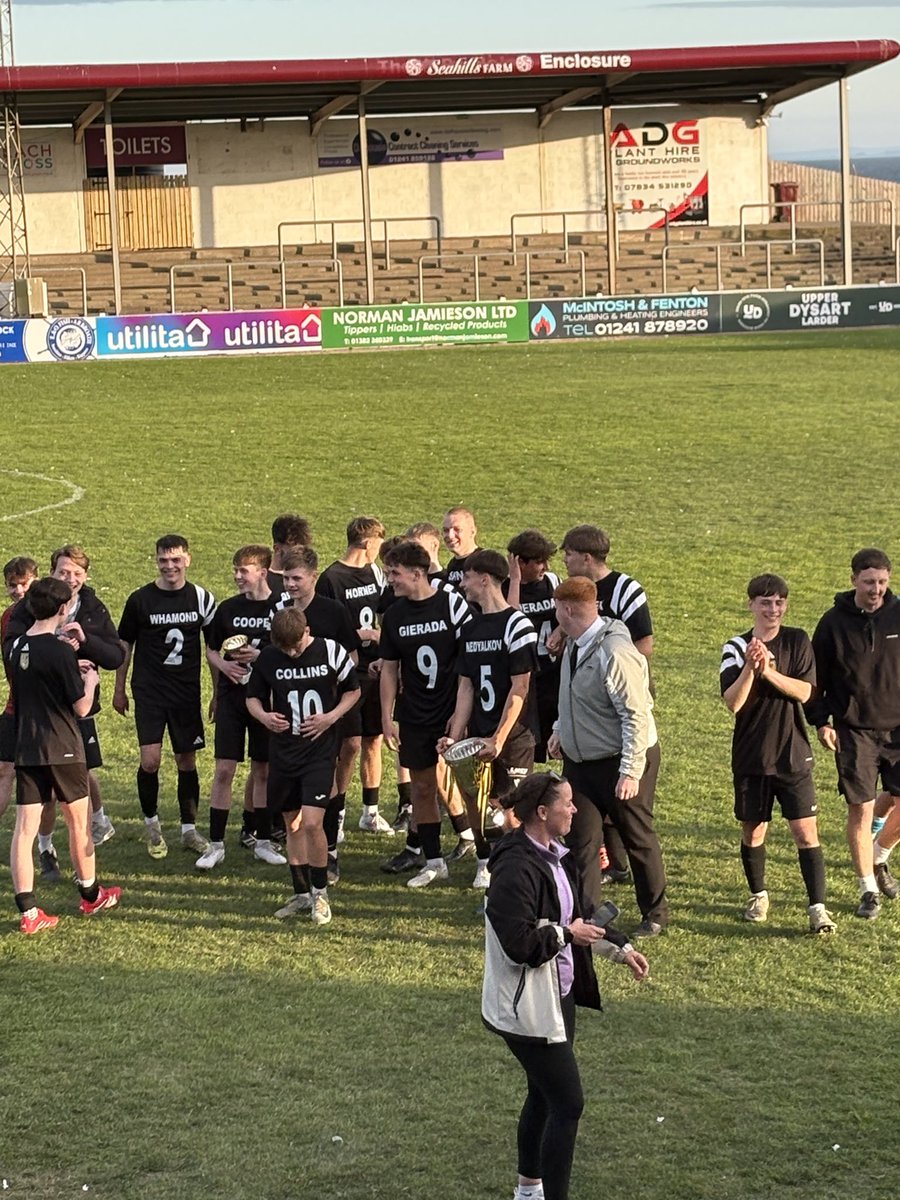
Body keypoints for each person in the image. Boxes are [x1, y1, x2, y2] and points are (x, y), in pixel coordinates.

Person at [483, 771, 649, 1200]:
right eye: (567, 803)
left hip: (558, 997)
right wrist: (565, 934)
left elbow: (582, 912)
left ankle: (528, 1191)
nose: (575, 810)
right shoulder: (514, 868)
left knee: (543, 1095)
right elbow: (520, 944)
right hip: (527, 1008)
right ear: (542, 812)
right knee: (568, 1103)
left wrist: (621, 948)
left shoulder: (559, 855)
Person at [549, 577, 668, 937]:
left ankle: (655, 914)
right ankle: (587, 915)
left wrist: (630, 771)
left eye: (556, 609)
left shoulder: (614, 652)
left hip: (620, 759)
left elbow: (636, 715)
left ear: (567, 609)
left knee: (636, 835)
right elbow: (570, 695)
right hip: (581, 763)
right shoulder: (575, 643)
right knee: (581, 839)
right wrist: (560, 729)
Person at [5, 576, 121, 934]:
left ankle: (29, 912)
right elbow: (81, 707)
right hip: (63, 748)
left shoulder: (14, 646)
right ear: (61, 608)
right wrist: (90, 680)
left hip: (27, 746)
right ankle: (91, 895)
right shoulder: (60, 651)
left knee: (24, 830)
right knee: (78, 823)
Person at [720, 574, 835, 934]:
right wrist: (750, 669)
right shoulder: (735, 647)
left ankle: (817, 909)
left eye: (780, 602)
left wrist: (769, 672)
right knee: (754, 831)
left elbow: (806, 692)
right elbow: (733, 703)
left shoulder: (797, 640)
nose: (774, 609)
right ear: (751, 605)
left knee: (805, 832)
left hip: (792, 754)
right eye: (766, 602)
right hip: (751, 756)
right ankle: (758, 895)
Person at [246, 607, 360, 927]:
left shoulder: (330, 650)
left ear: (307, 631)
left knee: (312, 822)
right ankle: (301, 893)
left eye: (295, 647)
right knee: (292, 823)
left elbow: (353, 689)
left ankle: (320, 893)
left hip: (319, 752)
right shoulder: (270, 657)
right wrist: (264, 717)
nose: (292, 654)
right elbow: (252, 698)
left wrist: (330, 717)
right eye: (286, 649)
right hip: (284, 752)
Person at [806, 547, 900, 920]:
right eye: (869, 582)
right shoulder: (832, 623)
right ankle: (868, 890)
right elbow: (815, 680)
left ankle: (879, 854)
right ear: (853, 580)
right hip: (854, 730)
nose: (876, 589)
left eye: (882, 582)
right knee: (860, 808)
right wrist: (821, 721)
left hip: (898, 730)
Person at [439, 549, 538, 889]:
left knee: (511, 809)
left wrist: (499, 737)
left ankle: (520, 870)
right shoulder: (471, 628)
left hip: (513, 735)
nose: (462, 584)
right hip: (480, 732)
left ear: (484, 579)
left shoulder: (517, 625)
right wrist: (454, 737)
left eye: (467, 577)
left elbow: (520, 686)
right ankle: (486, 860)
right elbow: (466, 687)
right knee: (477, 801)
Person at [114, 534, 216, 859]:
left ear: (188, 559)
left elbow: (213, 649)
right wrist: (119, 687)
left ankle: (189, 830)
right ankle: (152, 825)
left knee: (187, 759)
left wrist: (217, 692)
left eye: (176, 560)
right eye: (163, 560)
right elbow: (125, 644)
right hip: (150, 691)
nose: (169, 566)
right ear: (156, 560)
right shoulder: (140, 600)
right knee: (151, 760)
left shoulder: (201, 598)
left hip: (185, 692)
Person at [379, 539, 473, 888]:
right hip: (415, 713)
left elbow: (469, 660)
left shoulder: (452, 604)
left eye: (395, 573)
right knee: (421, 788)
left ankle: (485, 859)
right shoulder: (395, 614)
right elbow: (389, 669)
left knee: (471, 786)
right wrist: (387, 716)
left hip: (451, 711)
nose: (390, 580)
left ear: (417, 573)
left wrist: (461, 714)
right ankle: (434, 861)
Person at [195, 545, 287, 871]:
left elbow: (291, 650)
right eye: (235, 570)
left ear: (263, 572)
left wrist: (260, 657)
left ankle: (263, 841)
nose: (237, 576)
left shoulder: (281, 608)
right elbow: (211, 649)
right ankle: (215, 845)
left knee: (262, 770)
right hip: (232, 698)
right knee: (224, 770)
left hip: (264, 699)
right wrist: (225, 666)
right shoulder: (228, 608)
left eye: (243, 570)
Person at [316, 516, 391, 838]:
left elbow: (385, 612)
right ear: (368, 542)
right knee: (349, 744)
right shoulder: (331, 578)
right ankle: (338, 812)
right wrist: (361, 634)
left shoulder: (376, 572)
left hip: (375, 667)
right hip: (347, 670)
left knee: (374, 739)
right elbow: (326, 628)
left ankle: (370, 812)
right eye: (379, 543)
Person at [505, 529, 562, 763]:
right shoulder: (506, 587)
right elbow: (511, 619)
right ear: (520, 562)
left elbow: (569, 614)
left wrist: (560, 631)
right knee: (528, 743)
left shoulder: (553, 582)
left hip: (552, 673)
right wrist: (515, 581)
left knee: (557, 741)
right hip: (526, 675)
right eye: (539, 562)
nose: (545, 567)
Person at [559, 524, 653, 658]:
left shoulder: (626, 590)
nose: (564, 560)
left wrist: (620, 667)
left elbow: (644, 645)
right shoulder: (571, 588)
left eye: (568, 554)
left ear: (586, 558)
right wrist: (560, 631)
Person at [0, 557, 38, 826]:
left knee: (43, 779)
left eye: (24, 583)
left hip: (46, 709)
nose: (18, 590)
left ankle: (45, 842)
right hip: (15, 705)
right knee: (4, 768)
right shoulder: (7, 617)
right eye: (12, 585)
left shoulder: (50, 612)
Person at [441, 506, 480, 590]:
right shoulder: (452, 565)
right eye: (446, 530)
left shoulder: (484, 561)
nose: (450, 536)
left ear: (472, 532)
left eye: (457, 529)